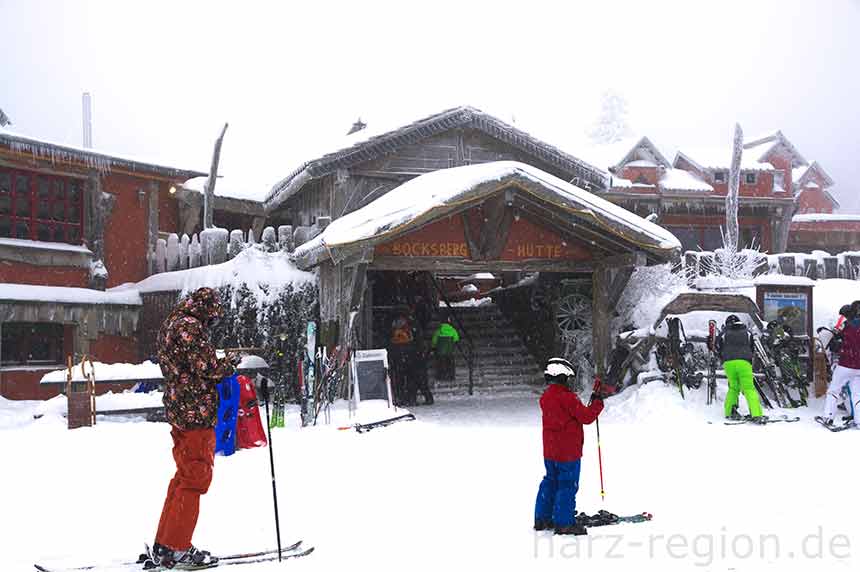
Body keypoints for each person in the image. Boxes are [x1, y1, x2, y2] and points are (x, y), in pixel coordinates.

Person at [151, 287, 239, 569]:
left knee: (183, 476)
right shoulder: (190, 326)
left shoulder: (172, 321)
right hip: (195, 412)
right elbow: (207, 366)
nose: (212, 323)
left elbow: (188, 363)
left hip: (179, 408)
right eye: (212, 317)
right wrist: (229, 365)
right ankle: (178, 549)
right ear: (206, 311)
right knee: (195, 478)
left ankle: (165, 543)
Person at [534, 358, 606, 536]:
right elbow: (586, 417)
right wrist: (597, 403)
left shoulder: (546, 397)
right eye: (567, 378)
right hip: (568, 452)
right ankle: (564, 523)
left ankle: (542, 518)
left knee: (550, 481)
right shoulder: (567, 398)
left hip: (550, 451)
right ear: (562, 377)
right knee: (567, 485)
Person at [716, 315, 764, 423]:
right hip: (743, 362)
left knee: (733, 388)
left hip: (728, 363)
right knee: (748, 388)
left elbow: (717, 346)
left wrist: (724, 357)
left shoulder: (724, 333)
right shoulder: (747, 332)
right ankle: (756, 414)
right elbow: (752, 347)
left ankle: (729, 412)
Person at [821, 301, 860, 427]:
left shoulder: (847, 327)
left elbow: (835, 346)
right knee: (857, 395)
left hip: (845, 364)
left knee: (834, 391)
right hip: (859, 367)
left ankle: (828, 417)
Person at [389, 307, 417, 405]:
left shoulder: (393, 326)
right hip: (409, 353)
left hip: (398, 353)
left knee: (399, 378)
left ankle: (400, 397)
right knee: (410, 377)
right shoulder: (410, 325)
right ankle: (411, 398)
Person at [431, 316, 460, 381]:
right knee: (450, 363)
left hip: (440, 351)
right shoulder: (452, 330)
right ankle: (451, 376)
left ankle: (441, 376)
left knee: (441, 363)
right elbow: (456, 338)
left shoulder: (438, 330)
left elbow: (434, 341)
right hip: (449, 350)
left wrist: (433, 347)